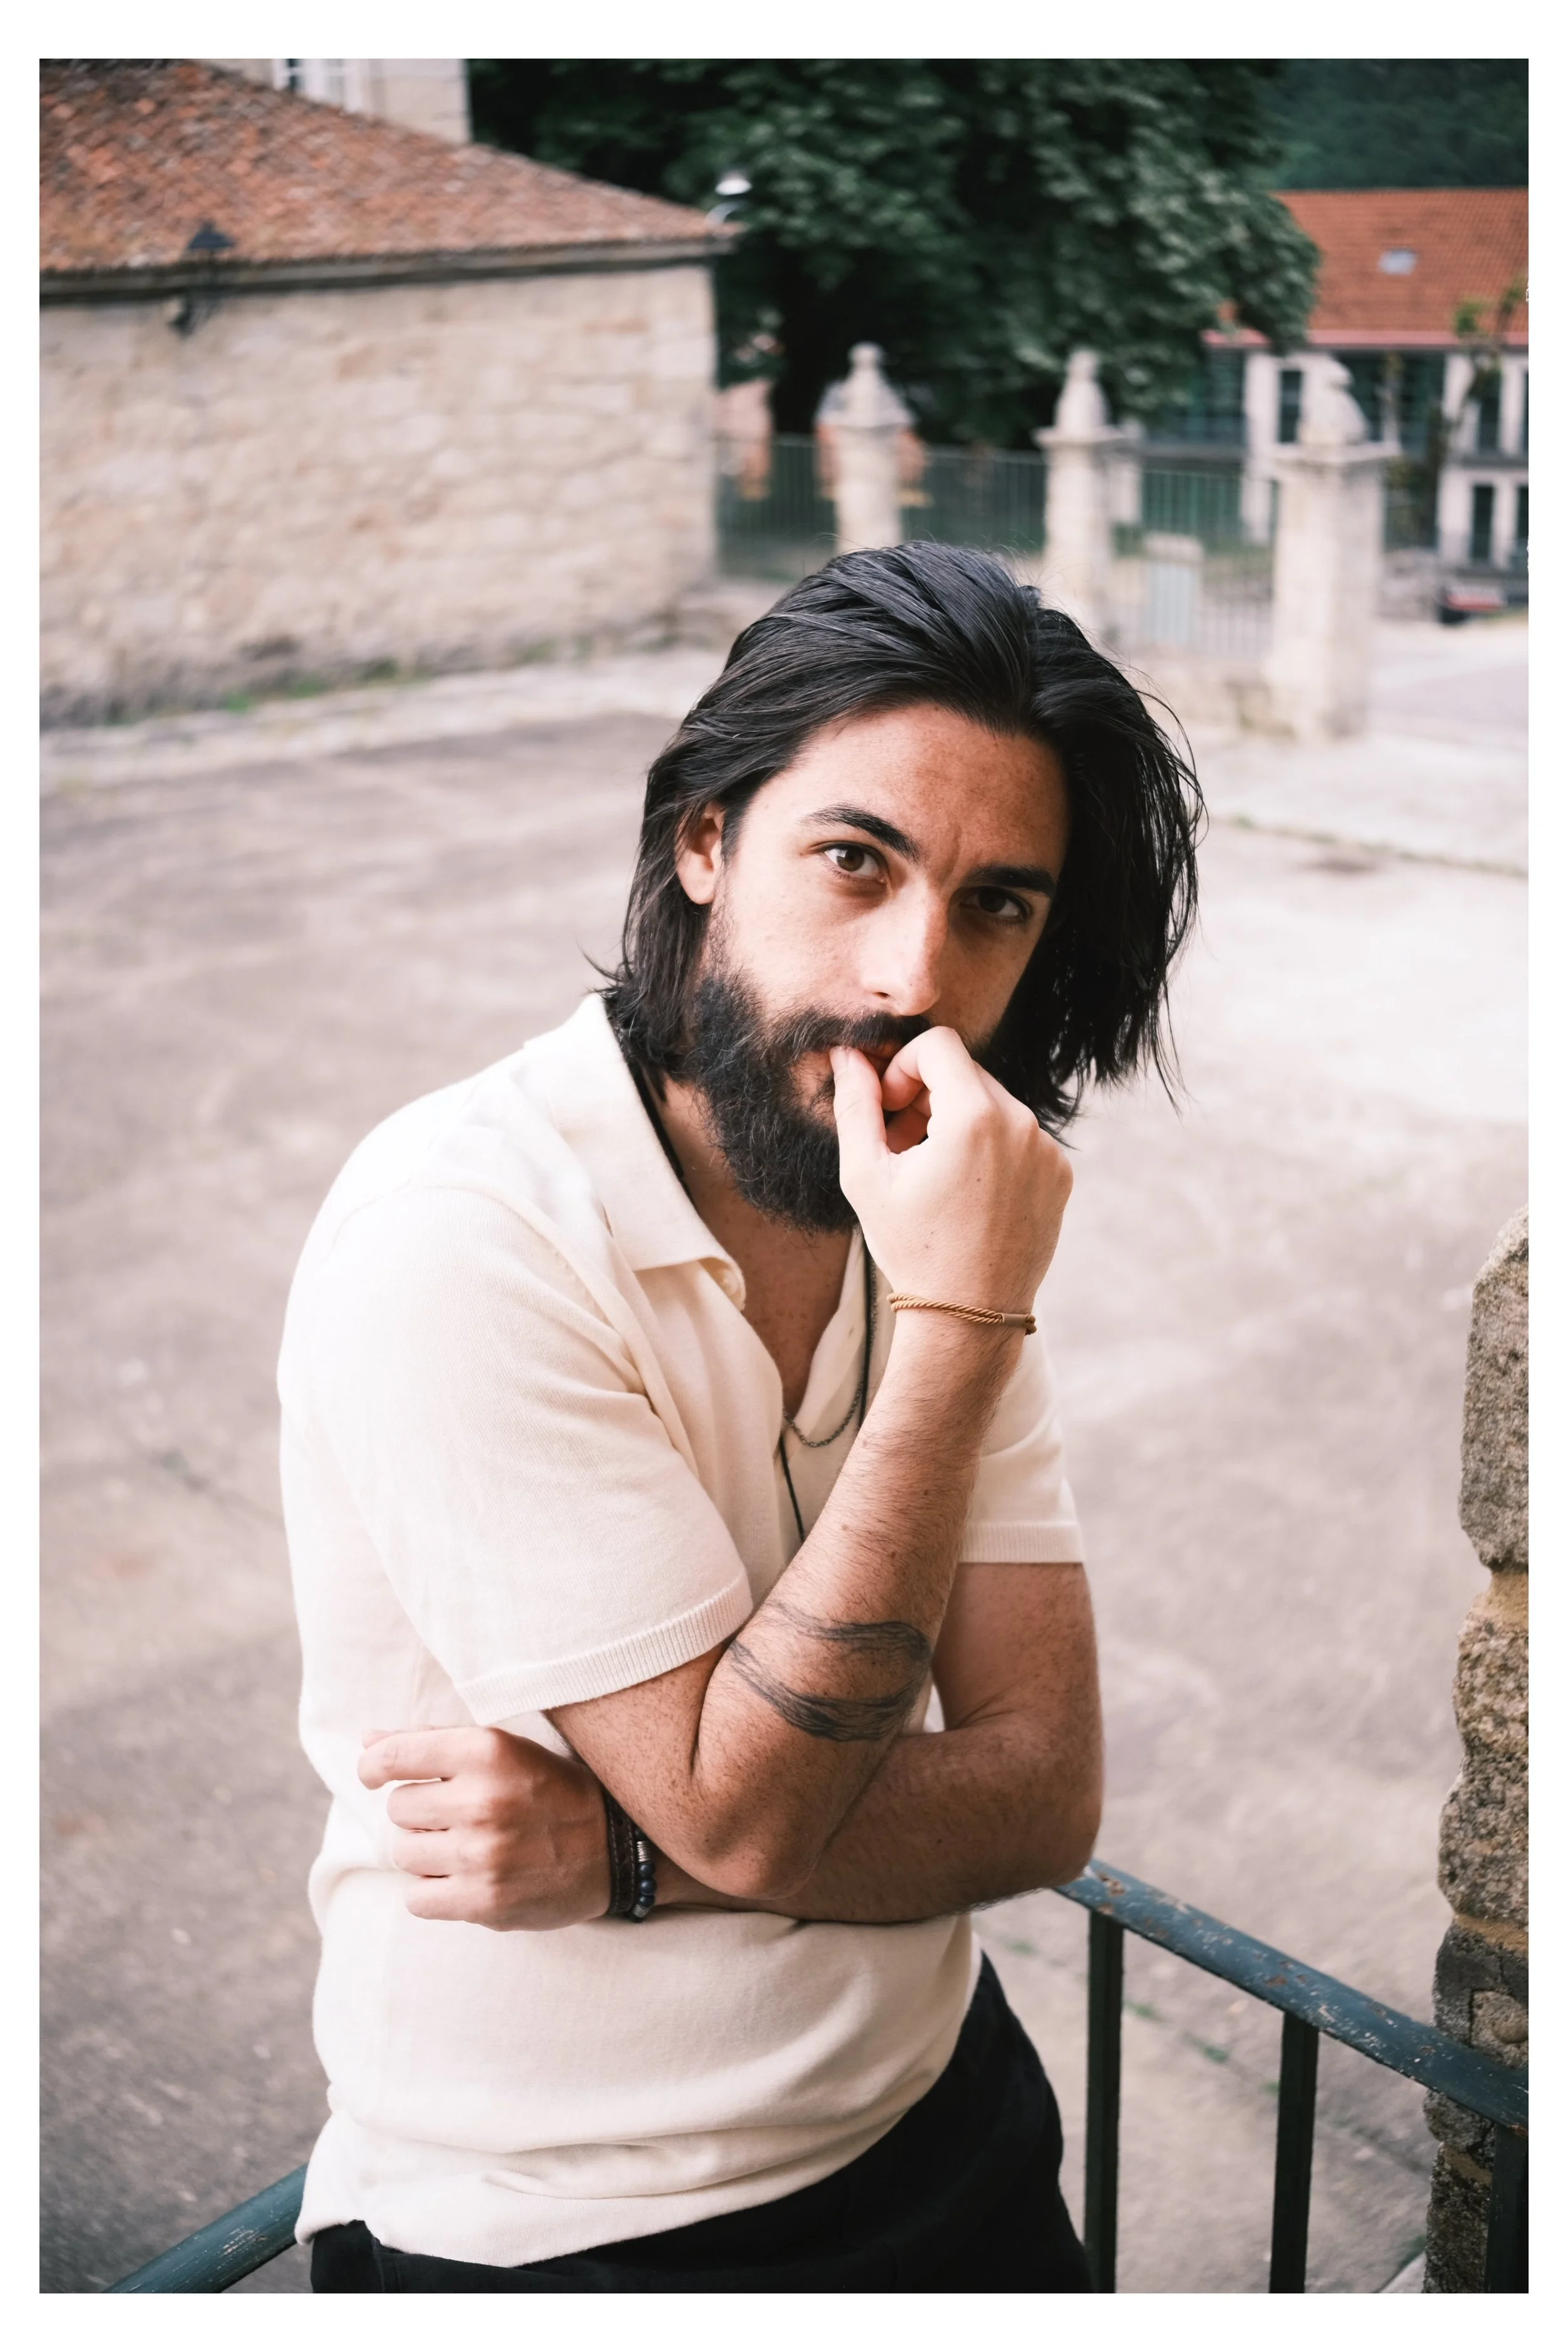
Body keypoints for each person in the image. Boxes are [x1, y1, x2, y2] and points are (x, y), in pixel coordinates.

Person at [283, 543, 1202, 2292]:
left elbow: (1042, 1792)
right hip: (567, 2218)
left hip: (938, 2101)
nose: (911, 975)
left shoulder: (927, 1218)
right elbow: (757, 1817)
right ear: (705, 839)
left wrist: (632, 1851)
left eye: (996, 906)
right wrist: (964, 1323)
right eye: (855, 861)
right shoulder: (463, 1230)